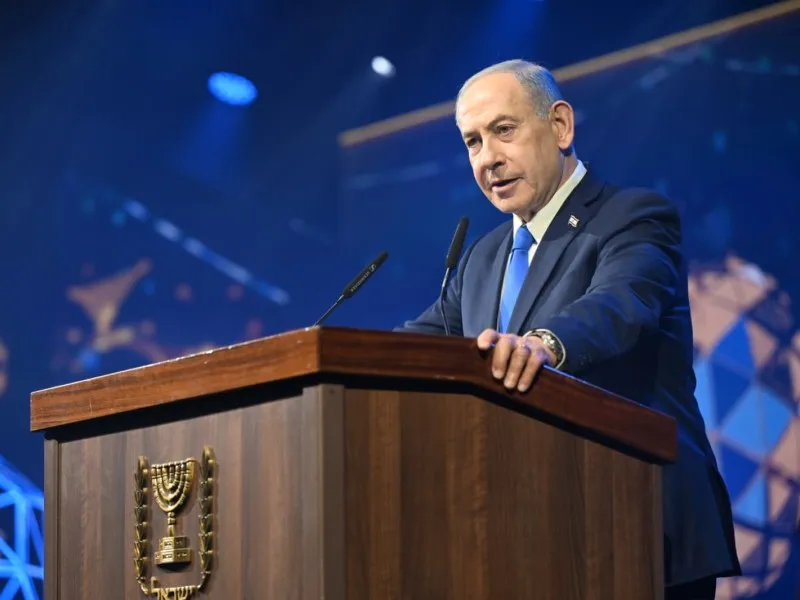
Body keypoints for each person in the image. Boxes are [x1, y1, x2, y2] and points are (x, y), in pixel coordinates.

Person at [398, 59, 741, 599]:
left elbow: (621, 304)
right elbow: (417, 342)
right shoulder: (483, 256)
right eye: (472, 142)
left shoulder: (633, 216)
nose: (488, 158)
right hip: (531, 536)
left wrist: (543, 344)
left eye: (503, 130)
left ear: (560, 125)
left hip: (640, 523)